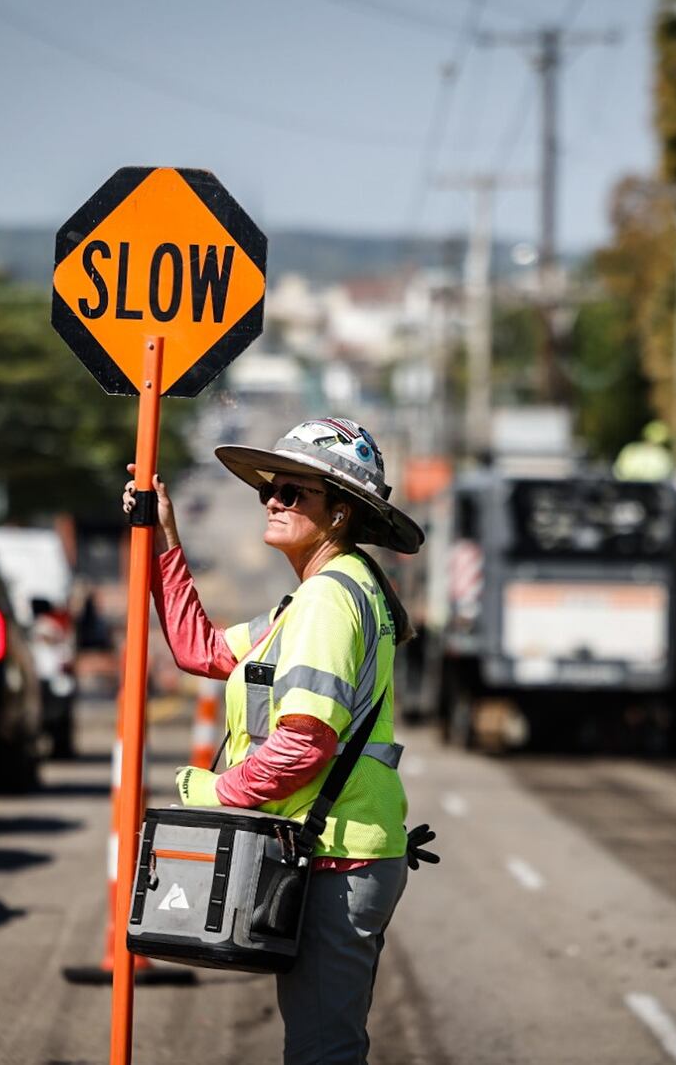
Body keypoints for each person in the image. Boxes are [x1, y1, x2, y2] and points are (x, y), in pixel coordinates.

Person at [122, 416, 427, 1065]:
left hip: (340, 855)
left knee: (323, 1052)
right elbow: (201, 651)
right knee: (322, 1046)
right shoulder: (313, 598)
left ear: (341, 514)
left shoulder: (328, 600)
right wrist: (164, 540)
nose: (273, 500)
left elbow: (304, 744)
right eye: (271, 489)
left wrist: (217, 793)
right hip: (333, 851)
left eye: (294, 492)